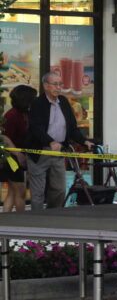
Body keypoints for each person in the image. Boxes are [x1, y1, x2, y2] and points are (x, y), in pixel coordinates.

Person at [27, 74, 94, 211]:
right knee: (38, 192)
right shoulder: (37, 103)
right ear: (46, 85)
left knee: (59, 189)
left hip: (58, 152)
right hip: (40, 151)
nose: (59, 88)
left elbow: (72, 127)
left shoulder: (63, 101)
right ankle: (36, 221)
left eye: (60, 84)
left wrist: (84, 141)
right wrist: (50, 141)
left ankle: (52, 216)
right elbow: (36, 127)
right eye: (55, 84)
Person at [1, 85, 37, 212]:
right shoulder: (12, 115)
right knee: (20, 191)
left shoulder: (25, 114)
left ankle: (5, 221)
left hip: (18, 155)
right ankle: (22, 220)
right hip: (10, 158)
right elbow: (5, 137)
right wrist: (17, 154)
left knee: (12, 192)